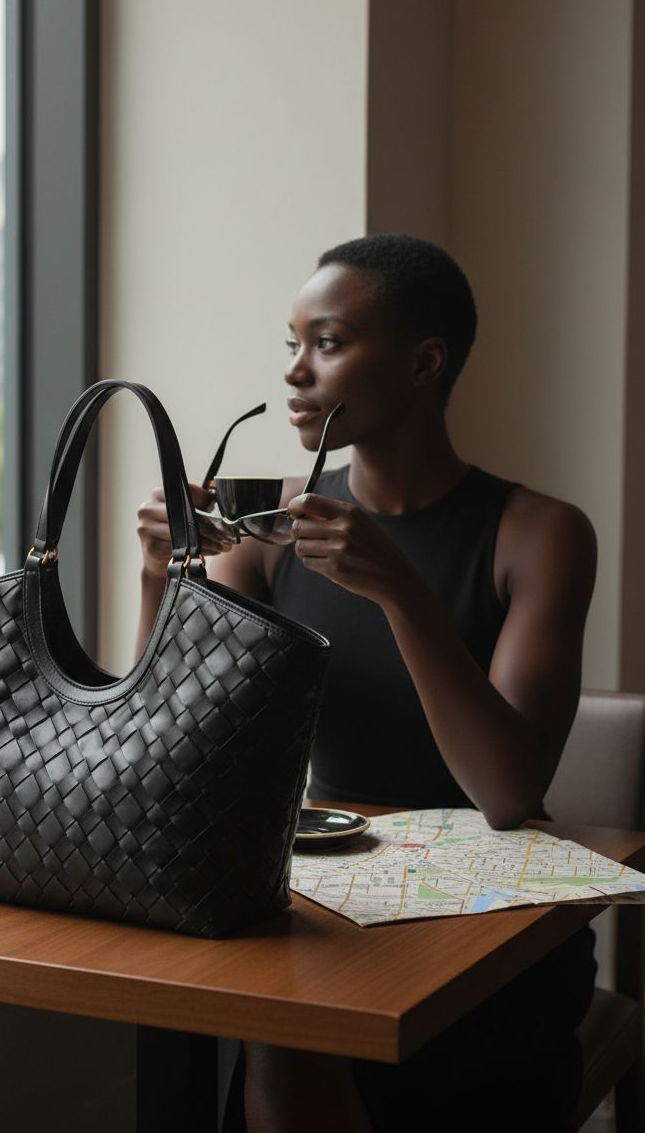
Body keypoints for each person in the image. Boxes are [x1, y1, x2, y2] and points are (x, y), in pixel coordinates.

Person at [135, 234, 598, 1133]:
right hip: (329, 891)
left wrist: (400, 591)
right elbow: (174, 740)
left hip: (496, 926)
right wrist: (165, 576)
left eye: (330, 343)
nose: (296, 376)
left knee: (286, 1034)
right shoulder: (271, 533)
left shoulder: (540, 534)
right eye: (292, 345)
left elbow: (507, 792)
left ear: (423, 363)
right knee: (278, 1022)